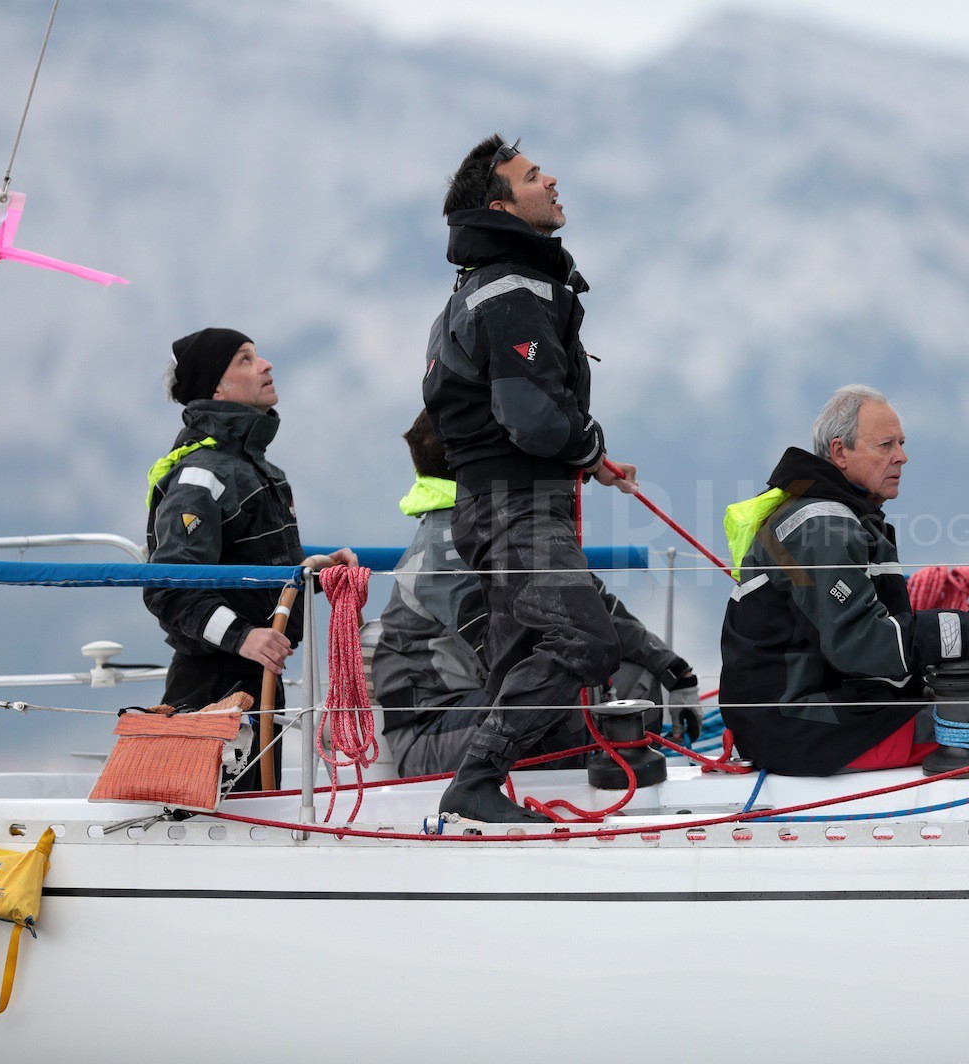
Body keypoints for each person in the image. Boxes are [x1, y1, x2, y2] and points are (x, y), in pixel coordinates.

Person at [423, 134, 639, 823]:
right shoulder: (511, 290)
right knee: (587, 640)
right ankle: (475, 783)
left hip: (504, 505)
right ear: (500, 205)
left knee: (517, 654)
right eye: (533, 175)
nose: (553, 180)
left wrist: (588, 461)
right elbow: (533, 421)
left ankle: (481, 801)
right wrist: (589, 443)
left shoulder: (493, 286)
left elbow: (517, 417)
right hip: (516, 511)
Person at [372, 411, 701, 777]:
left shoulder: (502, 521)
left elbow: (592, 608)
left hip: (482, 712)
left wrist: (674, 670)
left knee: (638, 681)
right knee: (561, 699)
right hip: (433, 731)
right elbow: (508, 660)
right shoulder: (444, 551)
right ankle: (557, 797)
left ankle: (618, 786)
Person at [719, 385, 969, 776]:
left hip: (799, 715)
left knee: (968, 712)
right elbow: (859, 643)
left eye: (901, 443)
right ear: (839, 453)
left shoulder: (833, 515)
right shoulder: (822, 526)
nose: (902, 456)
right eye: (885, 445)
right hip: (799, 726)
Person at [144, 327, 356, 787]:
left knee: (255, 818)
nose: (265, 366)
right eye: (245, 359)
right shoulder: (201, 475)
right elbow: (168, 587)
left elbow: (253, 570)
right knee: (217, 827)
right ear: (216, 387)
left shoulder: (254, 470)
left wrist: (311, 573)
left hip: (255, 678)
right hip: (210, 686)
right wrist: (244, 637)